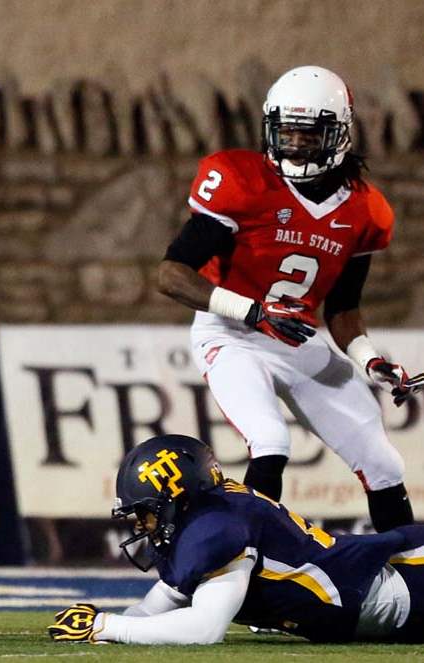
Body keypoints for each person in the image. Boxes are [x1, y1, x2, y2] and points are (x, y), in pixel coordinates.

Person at [156, 65, 415, 531]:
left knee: (383, 463)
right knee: (270, 440)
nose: (294, 144)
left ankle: (410, 567)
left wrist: (371, 360)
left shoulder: (366, 209)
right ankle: (251, 558)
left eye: (307, 134)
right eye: (286, 132)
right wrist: (253, 312)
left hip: (295, 336)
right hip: (231, 333)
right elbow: (171, 274)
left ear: (337, 134)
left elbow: (343, 308)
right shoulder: (240, 180)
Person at [47, 434, 424, 645]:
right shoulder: (203, 519)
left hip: (404, 586)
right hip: (378, 590)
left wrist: (106, 626)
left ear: (178, 499)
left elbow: (205, 629)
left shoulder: (216, 527)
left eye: (146, 512)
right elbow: (153, 610)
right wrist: (103, 627)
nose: (142, 525)